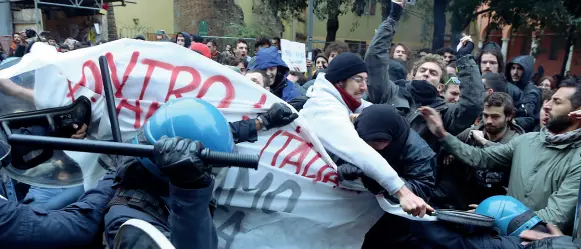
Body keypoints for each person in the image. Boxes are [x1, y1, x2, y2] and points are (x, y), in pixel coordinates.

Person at [104, 98, 298, 248]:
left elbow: (208, 139)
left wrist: (262, 122)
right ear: (174, 171)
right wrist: (189, 192)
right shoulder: (130, 225)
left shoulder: (158, 151)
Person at [419, 79, 581, 232]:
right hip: (502, 238)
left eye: (557, 102)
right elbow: (480, 157)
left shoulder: (577, 158)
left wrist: (497, 216)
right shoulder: (527, 141)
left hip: (540, 243)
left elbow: (556, 217)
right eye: (550, 99)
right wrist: (442, 134)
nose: (547, 106)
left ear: (577, 111)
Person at [299, 51, 433, 217]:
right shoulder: (325, 109)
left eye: (366, 80)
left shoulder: (345, 101)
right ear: (340, 81)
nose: (364, 87)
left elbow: (371, 110)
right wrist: (401, 191)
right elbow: (358, 151)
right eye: (358, 80)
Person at [364, 0, 484, 153]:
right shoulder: (389, 93)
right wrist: (392, 18)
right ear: (413, 76)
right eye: (422, 70)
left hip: (418, 175)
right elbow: (374, 60)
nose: (426, 73)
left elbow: (473, 105)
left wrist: (464, 58)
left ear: (441, 86)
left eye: (433, 73)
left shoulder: (445, 114)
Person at [350, 104, 437, 249]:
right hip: (358, 214)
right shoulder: (357, 134)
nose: (373, 148)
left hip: (396, 225)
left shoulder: (420, 153)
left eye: (380, 141)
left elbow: (421, 190)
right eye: (367, 143)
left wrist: (378, 178)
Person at [433, 92, 525, 210]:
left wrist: (483, 142)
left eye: (495, 116)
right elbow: (449, 147)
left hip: (498, 207)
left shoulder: (518, 141)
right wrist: (453, 153)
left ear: (509, 116)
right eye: (485, 115)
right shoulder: (470, 134)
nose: (488, 121)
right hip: (465, 203)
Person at [505, 55, 542, 132]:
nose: (515, 72)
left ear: (527, 71)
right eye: (513, 68)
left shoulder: (532, 91)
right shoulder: (507, 86)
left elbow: (529, 118)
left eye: (520, 69)